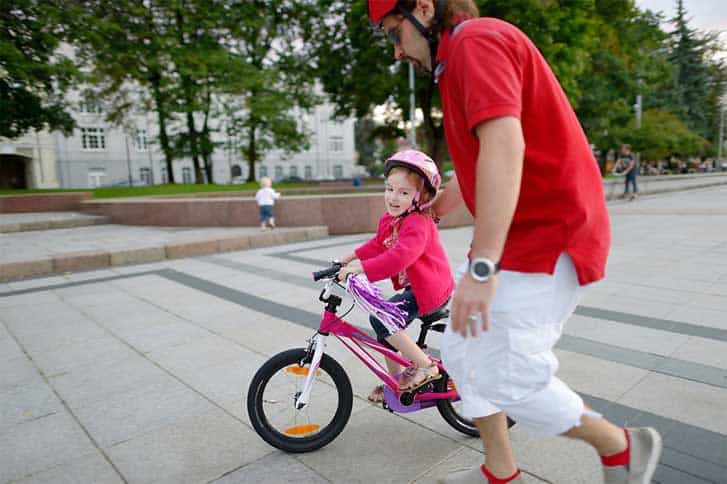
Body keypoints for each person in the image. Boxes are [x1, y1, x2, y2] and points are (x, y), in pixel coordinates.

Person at [367, 1, 662, 483]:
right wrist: (446, 201)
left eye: (393, 32)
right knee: (462, 353)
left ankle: (621, 446)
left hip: (549, 236)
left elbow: (506, 145)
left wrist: (483, 267)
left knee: (509, 376)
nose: (397, 50)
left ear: (423, 7)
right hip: (520, 237)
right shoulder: (457, 59)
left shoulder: (475, 42)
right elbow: (486, 151)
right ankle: (500, 472)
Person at [337, 149, 454, 402]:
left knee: (382, 320)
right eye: (389, 189)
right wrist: (348, 258)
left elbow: (400, 256)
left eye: (403, 192)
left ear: (421, 198)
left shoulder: (418, 223)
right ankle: (398, 382)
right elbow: (379, 245)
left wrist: (361, 269)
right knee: (383, 324)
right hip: (417, 287)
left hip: (430, 291)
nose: (393, 197)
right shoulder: (392, 220)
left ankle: (425, 366)